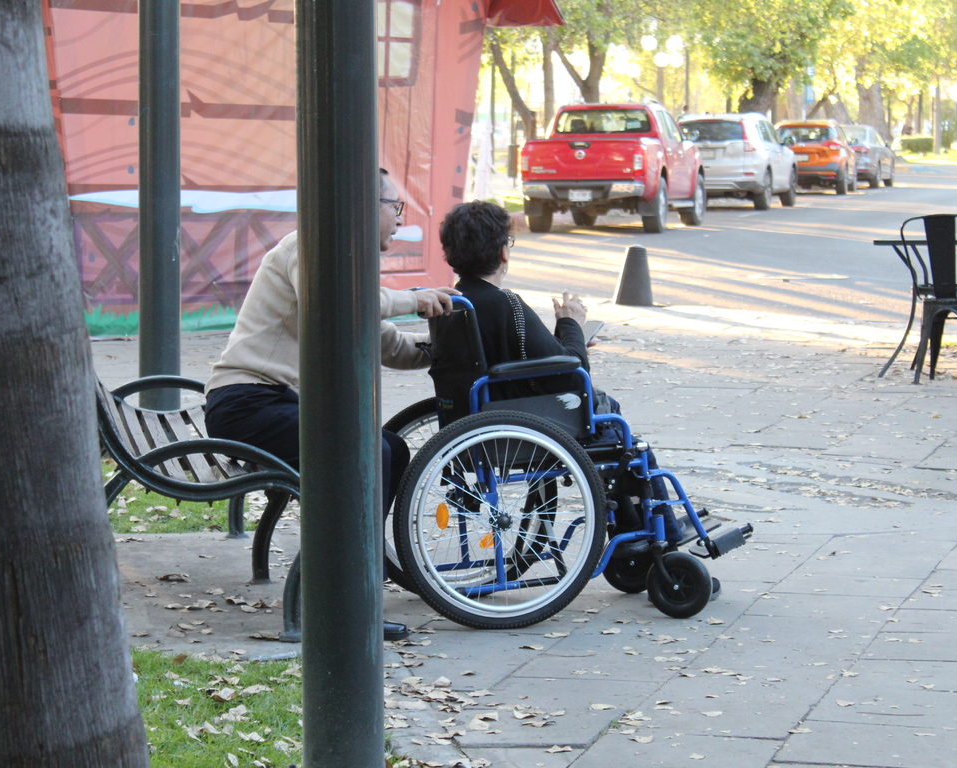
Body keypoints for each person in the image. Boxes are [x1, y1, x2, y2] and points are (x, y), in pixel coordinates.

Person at [204, 169, 454, 640]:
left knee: (392, 448)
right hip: (246, 405)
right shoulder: (309, 247)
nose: (400, 219)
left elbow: (391, 346)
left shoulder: (344, 264)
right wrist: (413, 299)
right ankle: (344, 596)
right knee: (370, 451)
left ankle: (357, 569)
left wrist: (446, 347)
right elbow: (338, 304)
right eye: (394, 207)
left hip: (269, 403)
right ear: (364, 207)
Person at [437, 201, 718, 599]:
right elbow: (571, 373)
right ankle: (663, 538)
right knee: (622, 435)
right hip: (522, 427)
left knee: (609, 428)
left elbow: (521, 358)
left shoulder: (451, 302)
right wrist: (572, 325)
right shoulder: (506, 304)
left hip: (478, 424)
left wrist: (565, 341)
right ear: (502, 252)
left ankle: (632, 534)